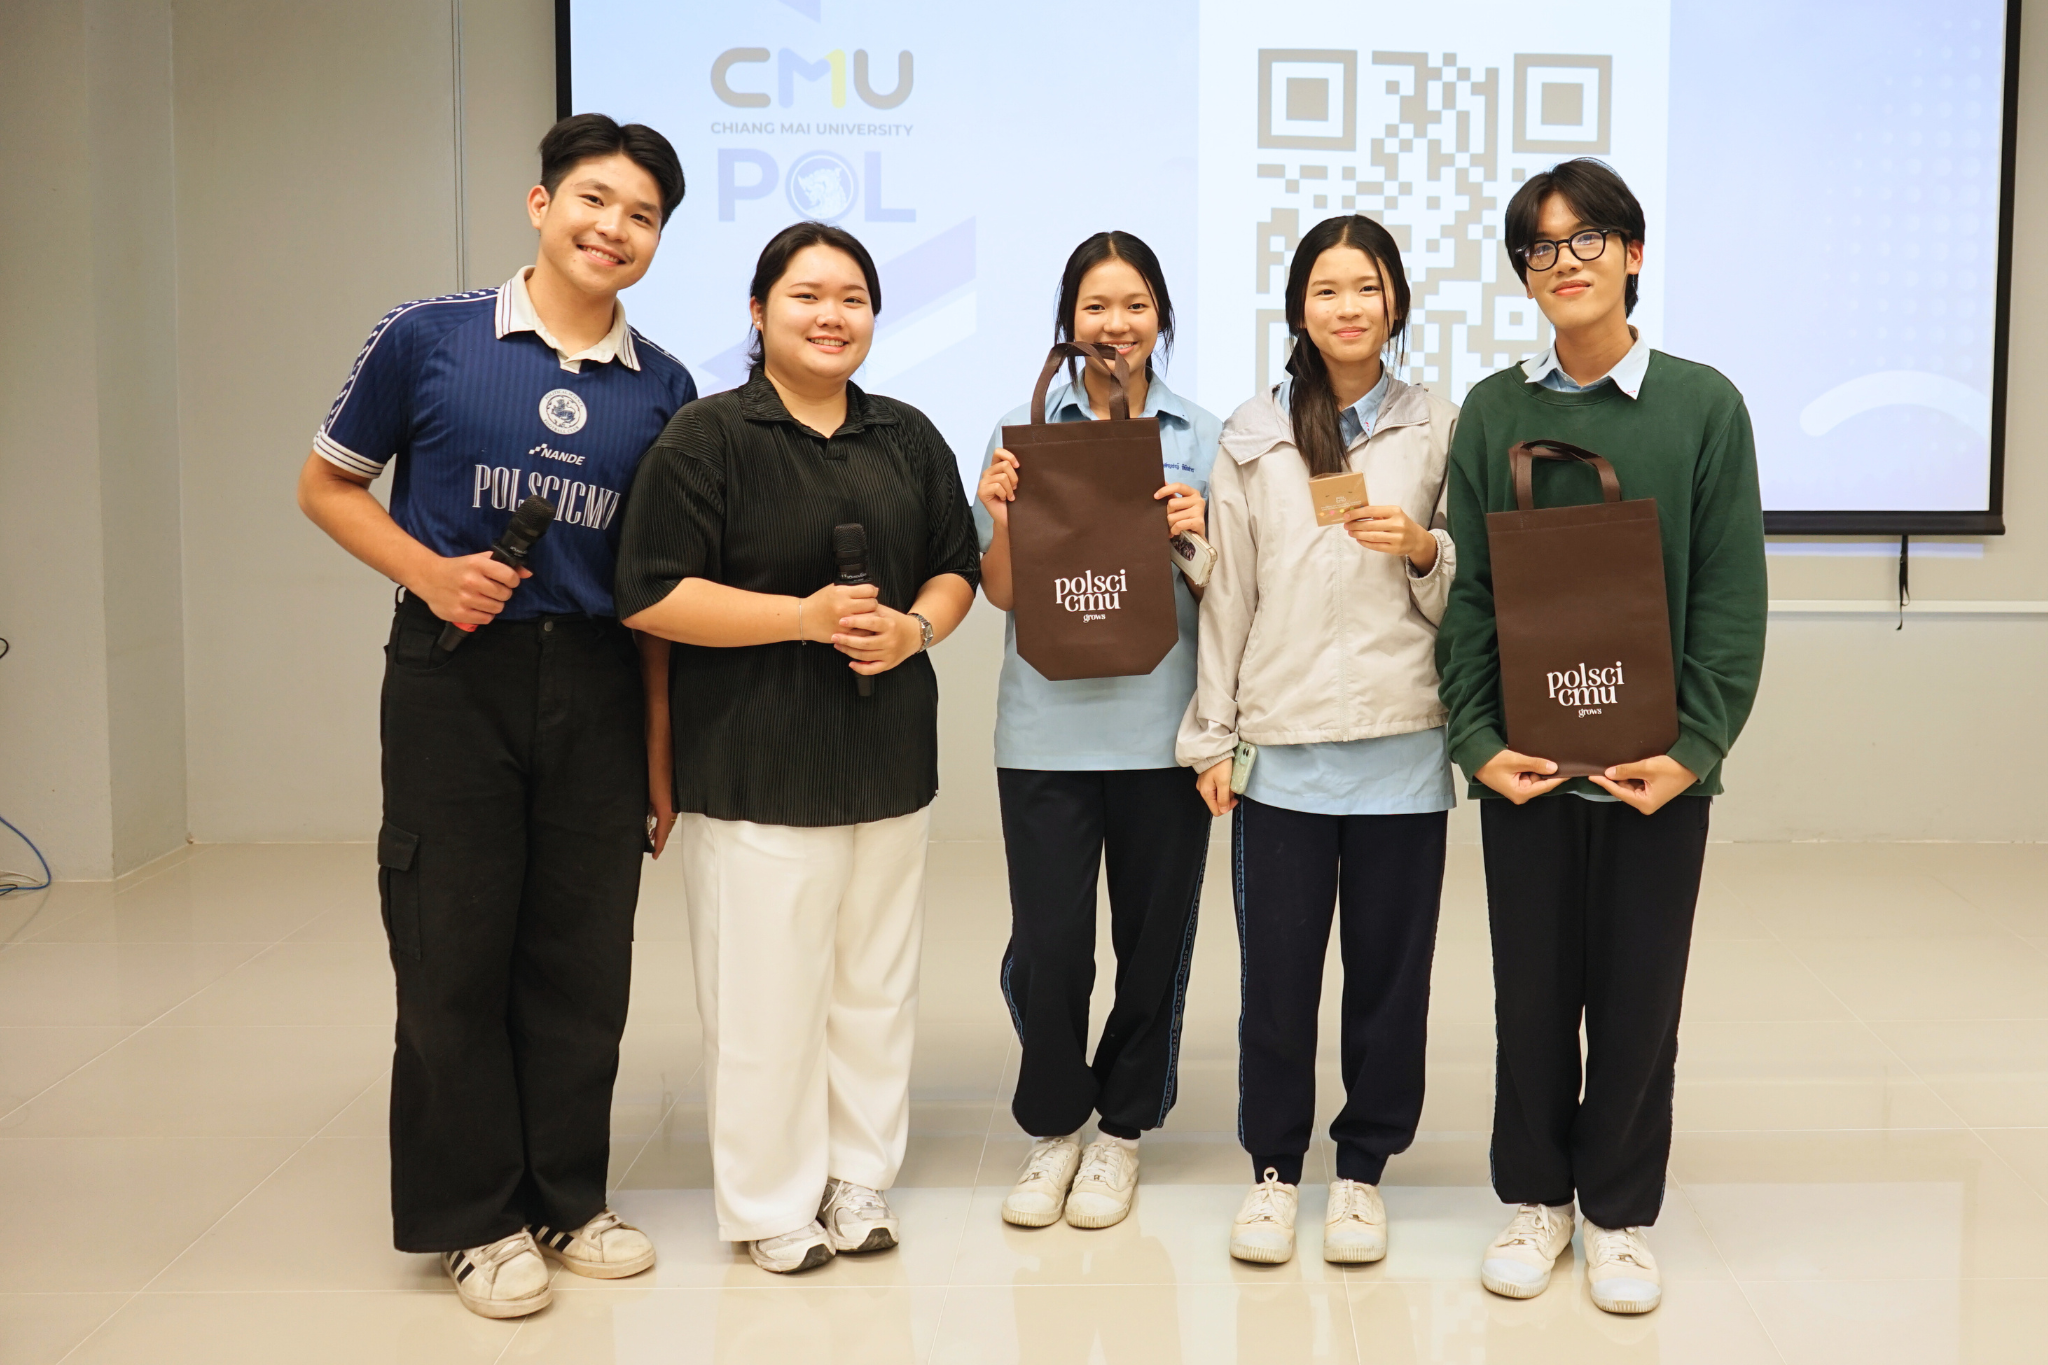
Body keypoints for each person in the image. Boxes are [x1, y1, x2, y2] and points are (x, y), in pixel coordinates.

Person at [296, 114, 695, 1319]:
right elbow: (325, 485)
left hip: (599, 682)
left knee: (582, 953)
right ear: (540, 204)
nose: (612, 229)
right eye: (593, 201)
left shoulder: (664, 388)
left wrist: (659, 751)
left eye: (641, 216)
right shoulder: (429, 336)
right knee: (451, 941)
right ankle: (474, 1218)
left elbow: (653, 591)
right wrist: (427, 572)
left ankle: (567, 1197)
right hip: (453, 674)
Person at [614, 221, 981, 1275]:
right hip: (755, 764)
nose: (832, 316)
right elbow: (650, 593)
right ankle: (770, 1200)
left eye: (852, 298)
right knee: (763, 997)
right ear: (757, 310)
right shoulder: (707, 437)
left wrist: (915, 629)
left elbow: (954, 566)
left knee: (874, 986)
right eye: (807, 296)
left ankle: (858, 1175)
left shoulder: (908, 435)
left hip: (886, 759)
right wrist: (801, 619)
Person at [1437, 158, 1766, 1314]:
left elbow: (1728, 596)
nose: (1563, 261)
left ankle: (1617, 1214)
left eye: (1586, 240)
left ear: (1630, 254)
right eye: (1540, 246)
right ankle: (1535, 1199)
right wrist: (1476, 741)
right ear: (1522, 273)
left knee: (1637, 1001)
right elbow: (1469, 594)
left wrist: (1693, 750)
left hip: (1655, 774)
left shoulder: (1701, 407)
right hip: (1524, 773)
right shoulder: (1493, 411)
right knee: (1527, 998)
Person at [1177, 214, 1459, 1266]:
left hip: (1401, 745)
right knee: (1277, 984)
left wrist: (1424, 548)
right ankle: (1272, 1171)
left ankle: (1361, 1172)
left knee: (1390, 981)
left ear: (1395, 303)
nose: (1348, 307)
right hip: (1283, 752)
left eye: (1367, 287)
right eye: (1326, 289)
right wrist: (1211, 735)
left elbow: (1471, 591)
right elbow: (1228, 595)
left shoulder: (1438, 426)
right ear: (1299, 307)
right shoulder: (1254, 432)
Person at [973, 232, 1221, 1232]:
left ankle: (1121, 1129)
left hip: (1163, 730)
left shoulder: (1202, 435)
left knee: (1151, 943)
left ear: (1161, 317)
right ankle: (1053, 1124)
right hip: (1045, 732)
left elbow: (1223, 591)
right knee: (1051, 947)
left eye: (1134, 305)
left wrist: (1194, 529)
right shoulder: (1021, 432)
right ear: (1067, 321)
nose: (1115, 325)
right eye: (1095, 306)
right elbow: (1001, 594)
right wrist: (1000, 515)